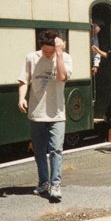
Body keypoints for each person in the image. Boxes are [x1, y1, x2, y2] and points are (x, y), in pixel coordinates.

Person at [18, 30, 73, 200]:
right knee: (39, 151)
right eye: (45, 52)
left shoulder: (65, 58)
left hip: (57, 113)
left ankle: (55, 184)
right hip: (37, 112)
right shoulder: (31, 58)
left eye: (51, 51)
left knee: (56, 149)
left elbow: (63, 77)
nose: (48, 55)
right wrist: (21, 98)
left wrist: (59, 54)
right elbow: (24, 80)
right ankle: (44, 182)